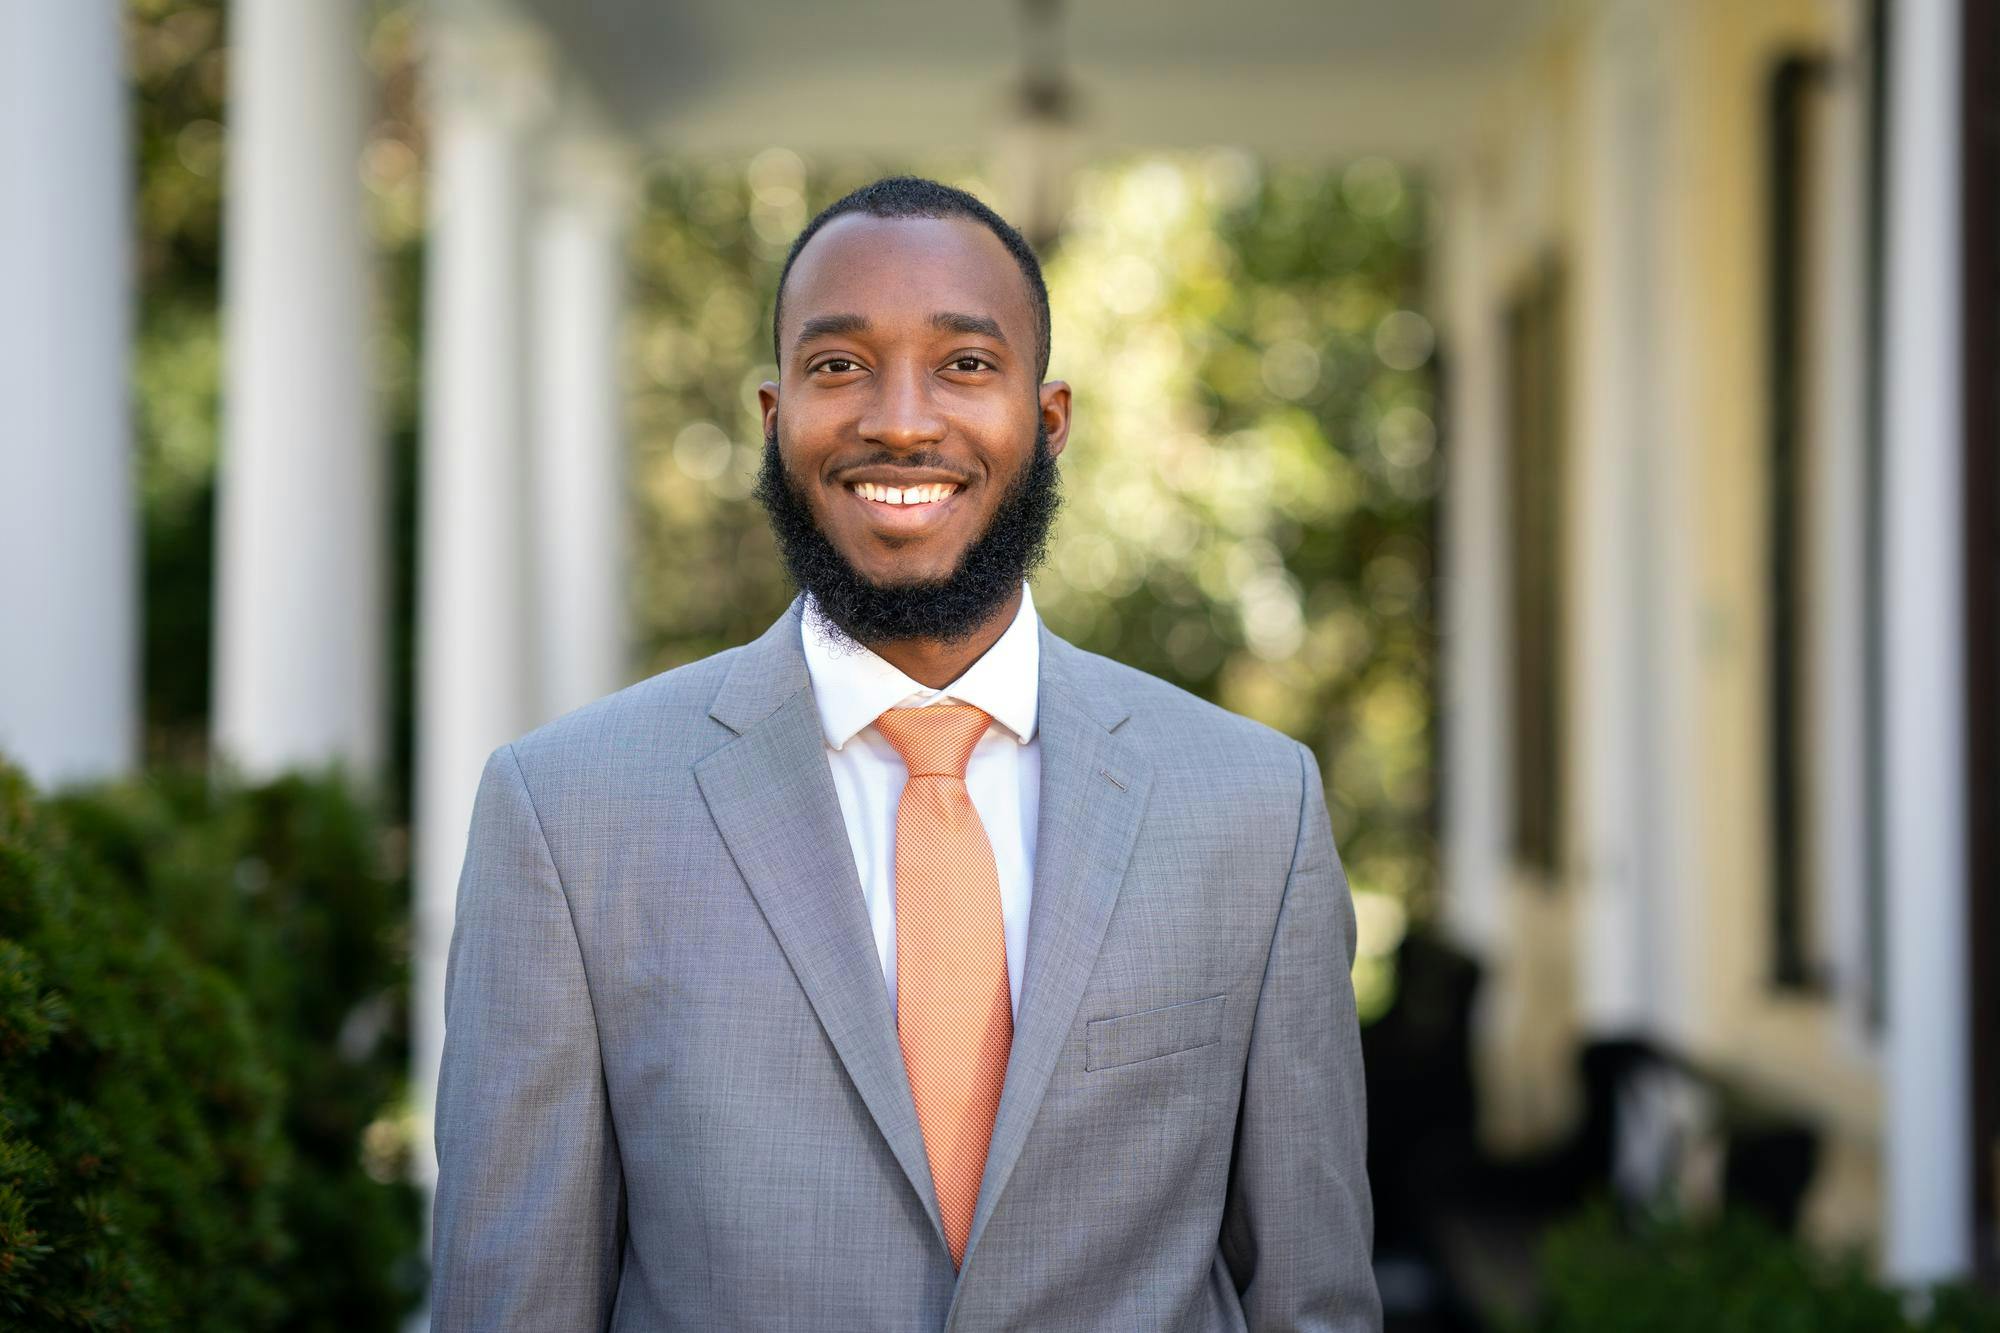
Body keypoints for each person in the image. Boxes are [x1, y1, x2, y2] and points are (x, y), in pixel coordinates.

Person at [430, 175, 1380, 1332]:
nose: (899, 418)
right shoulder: (565, 814)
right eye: (839, 366)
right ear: (774, 416)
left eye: (965, 365)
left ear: (1048, 417)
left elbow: (1311, 1301)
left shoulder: (1251, 808)